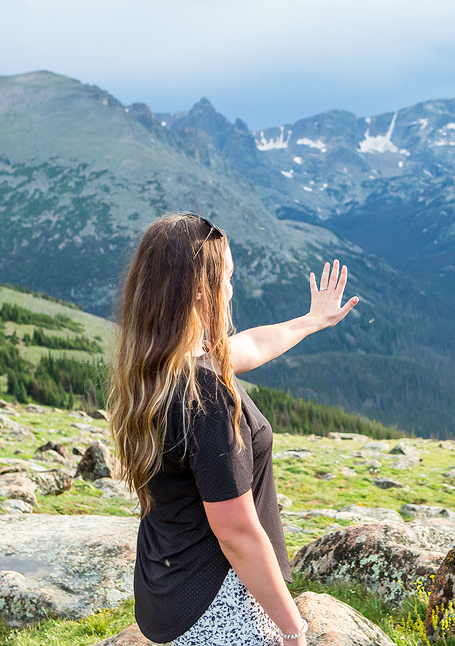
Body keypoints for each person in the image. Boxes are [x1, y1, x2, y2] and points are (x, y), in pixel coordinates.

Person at [108, 213, 359, 646]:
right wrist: (292, 626)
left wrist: (311, 320)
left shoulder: (155, 366)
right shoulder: (204, 396)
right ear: (200, 290)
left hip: (166, 590)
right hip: (218, 610)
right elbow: (237, 533)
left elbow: (250, 346)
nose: (229, 291)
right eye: (226, 278)